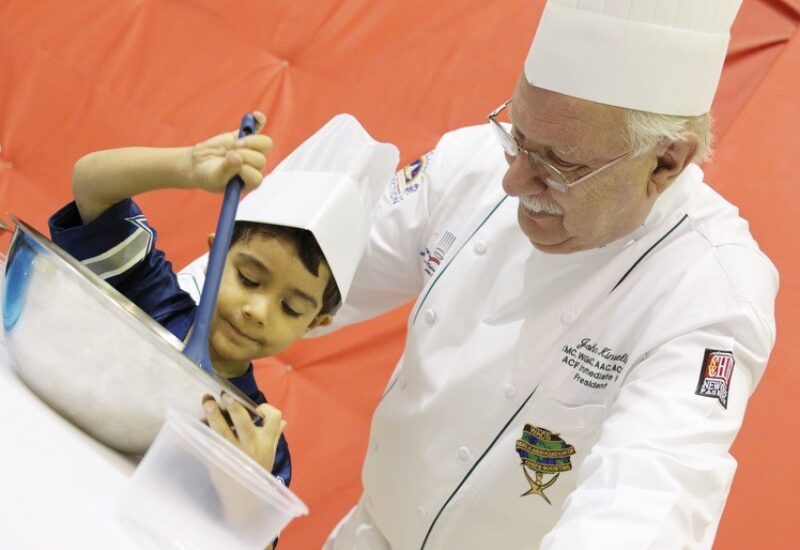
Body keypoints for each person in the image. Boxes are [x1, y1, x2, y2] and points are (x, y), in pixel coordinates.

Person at [304, 0, 776, 548]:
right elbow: (301, 272)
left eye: (557, 163)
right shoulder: (473, 164)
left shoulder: (709, 294)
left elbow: (648, 500)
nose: (512, 182)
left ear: (666, 161)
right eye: (517, 137)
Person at [48, 113, 399, 491]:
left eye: (291, 309)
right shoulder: (148, 295)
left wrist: (245, 486)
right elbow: (91, 185)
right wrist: (185, 167)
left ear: (314, 323)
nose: (258, 311)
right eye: (248, 278)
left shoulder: (257, 436)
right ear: (216, 251)